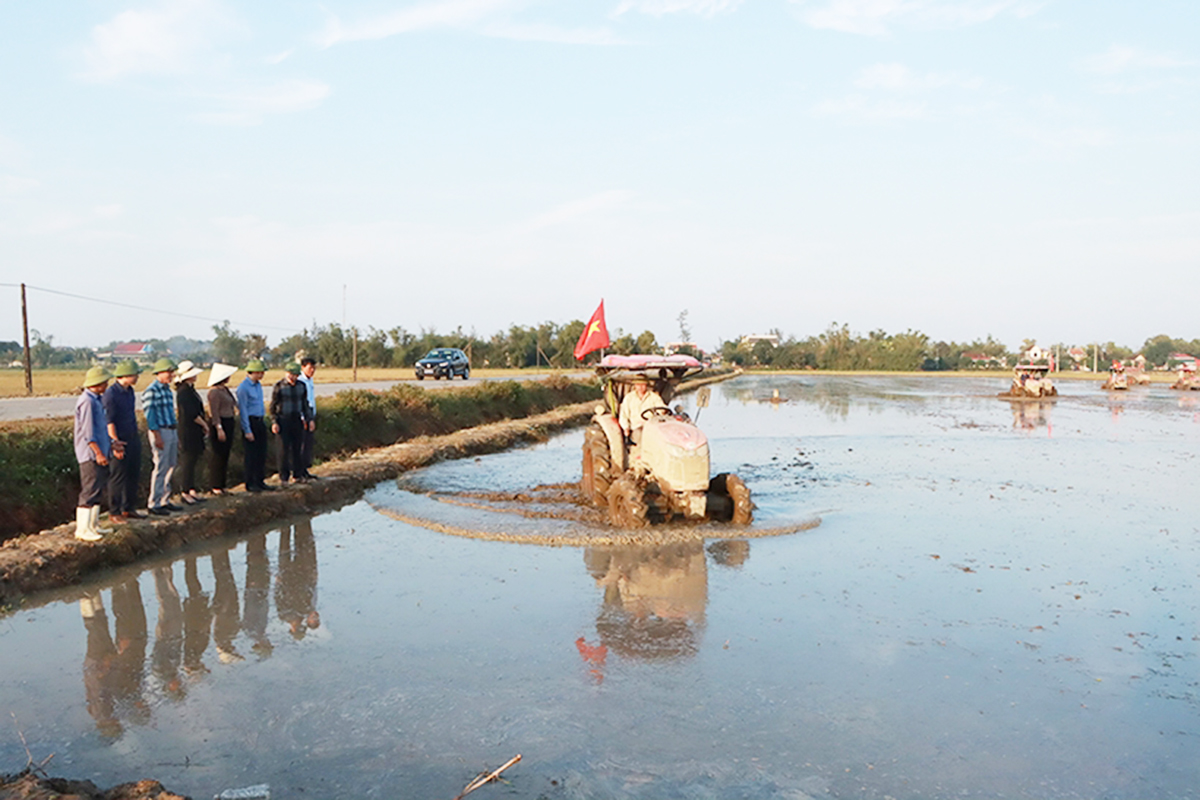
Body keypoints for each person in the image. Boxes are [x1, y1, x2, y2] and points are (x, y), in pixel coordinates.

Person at [74, 366, 115, 541]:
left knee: (98, 488)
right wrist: (98, 453)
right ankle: (82, 530)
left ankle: (93, 525)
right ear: (96, 384)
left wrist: (112, 443)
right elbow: (88, 433)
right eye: (104, 382)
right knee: (90, 489)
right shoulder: (87, 402)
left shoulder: (96, 399)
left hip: (101, 451)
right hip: (90, 455)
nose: (107, 385)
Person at [102, 360, 143, 523]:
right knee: (118, 476)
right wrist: (115, 442)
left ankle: (128, 508)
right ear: (125, 375)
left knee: (133, 473)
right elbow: (109, 421)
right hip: (120, 439)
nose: (137, 377)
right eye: (135, 374)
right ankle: (114, 511)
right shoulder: (111, 394)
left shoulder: (130, 391)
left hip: (133, 436)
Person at [143, 358, 181, 515]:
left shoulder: (167, 390)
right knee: (160, 466)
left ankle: (165, 499)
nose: (171, 375)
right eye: (168, 372)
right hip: (160, 431)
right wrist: (156, 435)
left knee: (171, 464)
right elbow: (150, 415)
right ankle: (154, 503)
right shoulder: (151, 391)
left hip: (171, 429)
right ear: (159, 373)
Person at [270, 361, 312, 484]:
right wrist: (274, 422)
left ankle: (297, 475)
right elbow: (273, 406)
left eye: (294, 374)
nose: (291, 377)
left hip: (297, 419)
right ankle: (284, 477)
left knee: (297, 448)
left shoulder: (301, 386)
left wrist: (309, 419)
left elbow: (305, 404)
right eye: (289, 374)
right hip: (283, 420)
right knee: (283, 450)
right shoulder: (279, 386)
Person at [174, 361, 209, 505]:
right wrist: (204, 424)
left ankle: (192, 489)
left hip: (195, 430)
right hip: (188, 430)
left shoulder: (190, 389)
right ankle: (185, 491)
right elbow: (191, 413)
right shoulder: (183, 392)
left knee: (194, 460)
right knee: (187, 462)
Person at [236, 359, 271, 492]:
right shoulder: (243, 388)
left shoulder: (258, 385)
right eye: (261, 372)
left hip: (260, 420)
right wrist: (247, 430)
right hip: (250, 422)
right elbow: (243, 410)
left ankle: (260, 481)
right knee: (251, 455)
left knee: (261, 453)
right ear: (254, 372)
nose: (262, 375)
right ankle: (250, 483)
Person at [206, 363, 239, 494]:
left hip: (229, 421)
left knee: (225, 455)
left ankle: (222, 484)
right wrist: (219, 428)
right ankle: (215, 485)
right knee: (218, 455)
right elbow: (214, 412)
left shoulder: (224, 390)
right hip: (220, 423)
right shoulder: (214, 392)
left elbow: (234, 403)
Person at [618, 376, 666, 448]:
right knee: (640, 436)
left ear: (646, 385)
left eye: (643, 385)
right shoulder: (629, 398)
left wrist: (662, 411)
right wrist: (626, 428)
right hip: (636, 427)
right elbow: (624, 415)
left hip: (652, 426)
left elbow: (662, 408)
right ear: (635, 386)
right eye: (638, 385)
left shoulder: (654, 397)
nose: (640, 387)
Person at [297, 356, 317, 479]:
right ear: (303, 367)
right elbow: (301, 402)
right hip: (303, 418)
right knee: (301, 445)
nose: (312, 370)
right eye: (310, 368)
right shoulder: (300, 381)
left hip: (310, 416)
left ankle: (305, 470)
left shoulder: (310, 381)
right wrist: (304, 418)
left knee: (308, 445)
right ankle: (299, 472)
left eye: (314, 368)